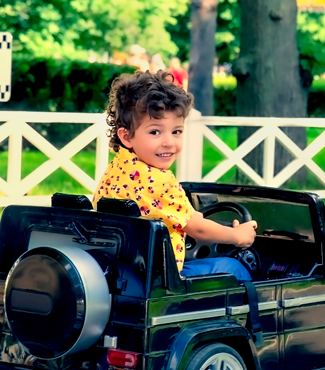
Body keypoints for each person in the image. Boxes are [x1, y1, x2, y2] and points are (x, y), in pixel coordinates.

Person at [94, 71, 257, 280]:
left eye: (176, 131)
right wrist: (237, 236)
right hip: (161, 279)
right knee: (234, 267)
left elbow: (173, 213)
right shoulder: (160, 182)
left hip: (123, 274)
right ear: (126, 136)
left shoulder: (118, 167)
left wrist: (197, 218)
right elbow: (199, 230)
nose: (169, 142)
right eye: (155, 132)